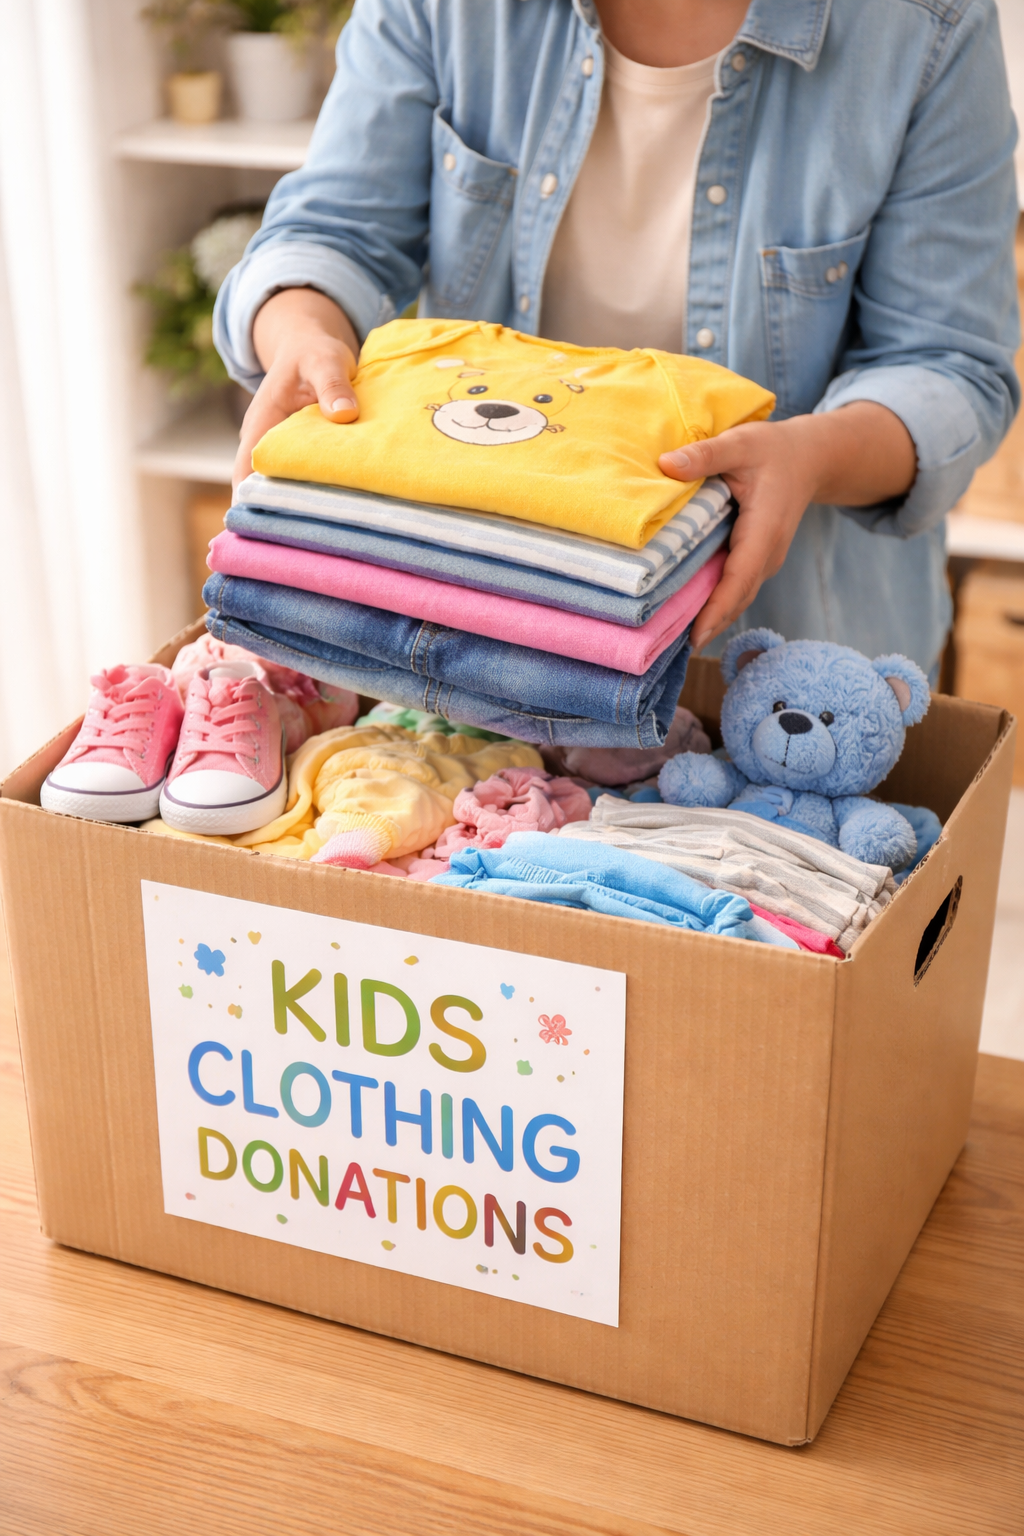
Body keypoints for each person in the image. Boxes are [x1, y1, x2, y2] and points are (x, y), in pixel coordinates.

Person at [214, 0, 1020, 678]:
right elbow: (335, 231)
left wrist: (811, 457)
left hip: (796, 664)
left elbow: (948, 365)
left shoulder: (925, 25)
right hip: (474, 626)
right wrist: (302, 329)